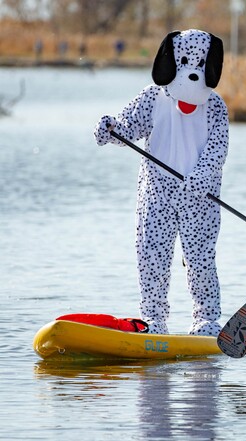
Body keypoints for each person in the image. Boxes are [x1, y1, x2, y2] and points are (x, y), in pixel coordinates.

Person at [93, 30, 227, 336]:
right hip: (156, 194)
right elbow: (128, 128)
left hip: (200, 198)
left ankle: (206, 319)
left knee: (201, 260)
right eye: (184, 62)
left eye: (200, 64)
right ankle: (154, 320)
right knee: (151, 257)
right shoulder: (151, 97)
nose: (192, 73)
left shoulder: (215, 105)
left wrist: (202, 177)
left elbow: (217, 150)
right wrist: (110, 129)